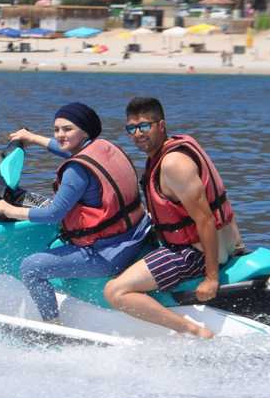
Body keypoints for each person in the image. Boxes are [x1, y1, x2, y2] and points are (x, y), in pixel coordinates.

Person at [0, 103, 150, 323]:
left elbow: (53, 215)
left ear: (84, 131)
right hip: (135, 234)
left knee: (30, 267)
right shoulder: (104, 147)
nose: (60, 135)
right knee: (41, 203)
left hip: (107, 253)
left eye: (67, 129)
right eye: (56, 130)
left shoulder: (76, 171)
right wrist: (33, 138)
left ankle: (52, 325)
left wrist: (8, 209)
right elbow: (66, 148)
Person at [104, 97, 243, 339]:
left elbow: (206, 220)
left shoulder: (173, 163)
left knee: (115, 291)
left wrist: (211, 278)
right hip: (220, 242)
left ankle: (193, 330)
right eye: (131, 128)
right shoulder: (175, 146)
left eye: (144, 126)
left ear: (161, 125)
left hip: (194, 252)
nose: (137, 134)